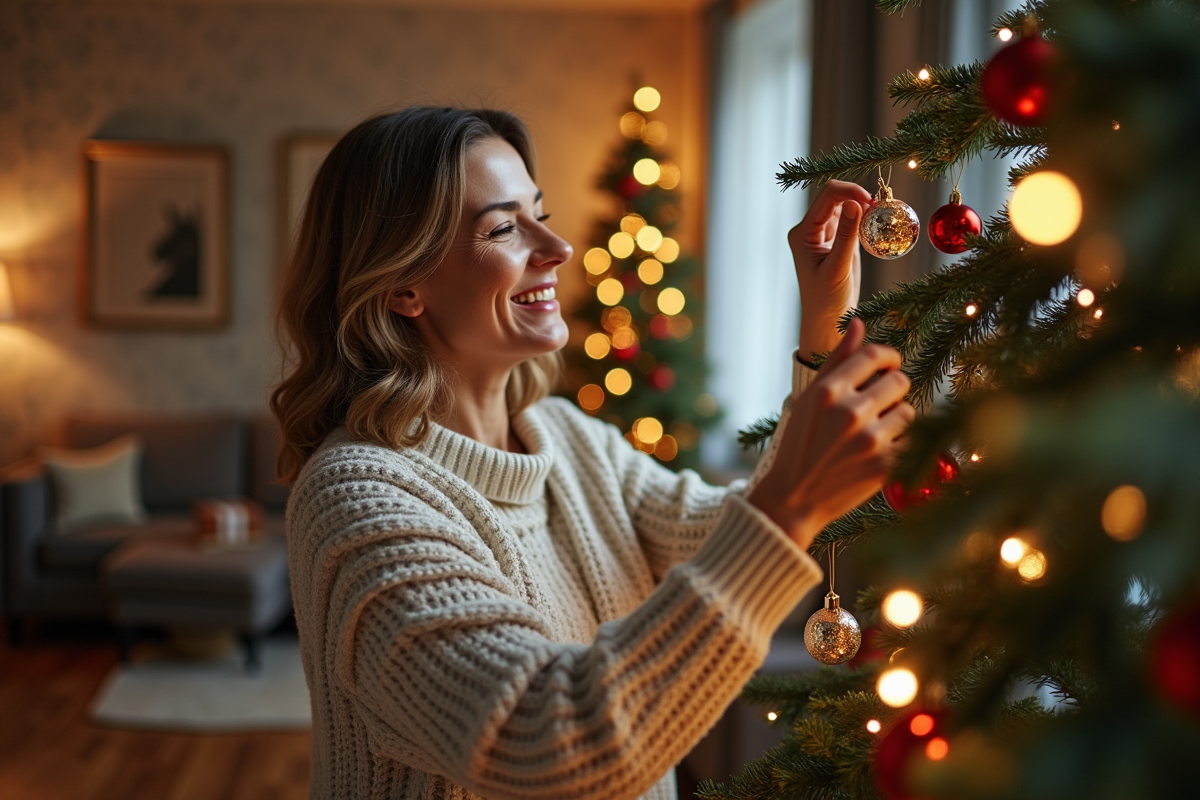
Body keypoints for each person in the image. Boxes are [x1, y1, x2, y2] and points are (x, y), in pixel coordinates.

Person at [271, 106, 912, 800]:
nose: (557, 247)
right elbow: (546, 740)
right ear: (402, 286)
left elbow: (723, 536)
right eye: (503, 228)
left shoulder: (566, 438)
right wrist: (791, 498)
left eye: (539, 213)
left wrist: (821, 332)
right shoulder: (355, 498)